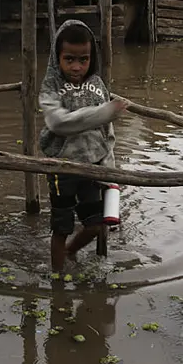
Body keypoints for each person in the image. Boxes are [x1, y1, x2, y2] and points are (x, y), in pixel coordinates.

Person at [39, 20, 128, 273]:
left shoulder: (98, 85)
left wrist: (110, 170)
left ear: (92, 58)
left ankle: (70, 252)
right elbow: (59, 124)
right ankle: (57, 279)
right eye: (69, 59)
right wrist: (104, 113)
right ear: (58, 58)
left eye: (83, 59)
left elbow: (106, 132)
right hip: (62, 167)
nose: (76, 67)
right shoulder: (50, 87)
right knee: (61, 227)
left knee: (96, 225)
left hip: (92, 167)